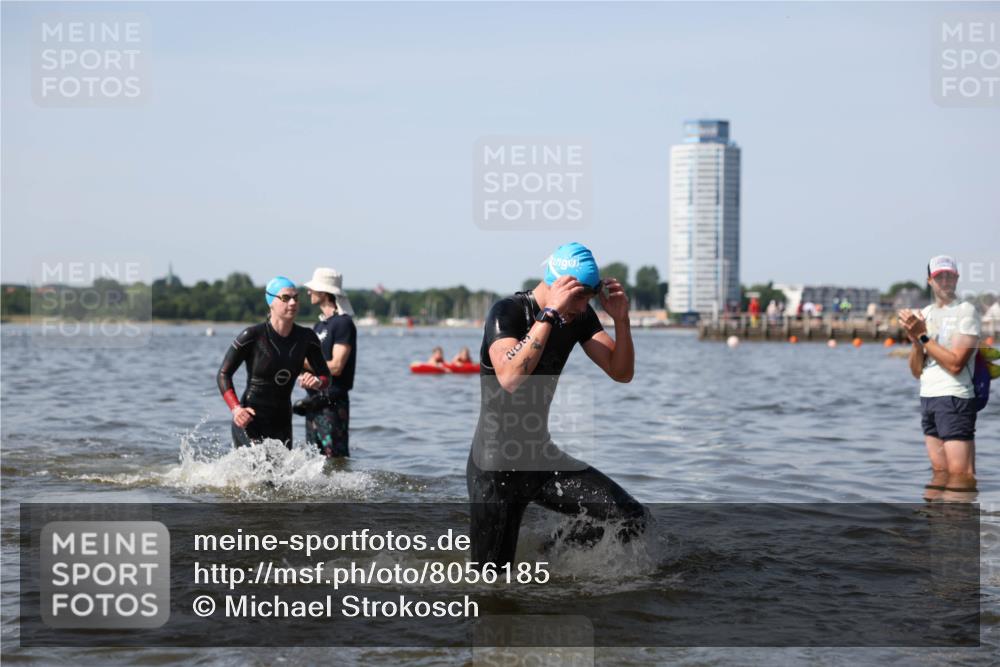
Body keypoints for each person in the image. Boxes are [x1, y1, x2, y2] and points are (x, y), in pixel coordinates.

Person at [467, 242, 646, 566]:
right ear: (556, 284)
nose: (580, 307)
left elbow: (621, 372)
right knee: (491, 583)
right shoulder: (505, 312)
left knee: (632, 517)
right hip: (495, 467)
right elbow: (509, 377)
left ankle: (550, 558)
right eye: (577, 296)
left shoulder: (578, 316)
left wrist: (622, 321)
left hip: (540, 459)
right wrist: (548, 315)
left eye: (587, 299)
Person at [898, 256, 981, 501]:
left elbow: (956, 363)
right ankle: (937, 531)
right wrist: (915, 343)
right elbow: (916, 370)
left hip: (955, 397)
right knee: (940, 473)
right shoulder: (924, 314)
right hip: (929, 398)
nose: (944, 280)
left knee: (960, 475)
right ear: (929, 281)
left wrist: (923, 337)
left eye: (949, 275)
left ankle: (959, 532)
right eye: (938, 276)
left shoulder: (966, 311)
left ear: (956, 279)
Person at [217, 276, 331, 450]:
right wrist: (236, 409)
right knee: (256, 473)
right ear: (271, 302)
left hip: (282, 421)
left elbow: (326, 377)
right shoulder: (252, 336)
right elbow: (224, 374)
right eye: (285, 298)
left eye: (296, 298)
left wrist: (317, 382)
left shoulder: (307, 338)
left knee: (281, 476)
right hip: (250, 418)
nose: (293, 303)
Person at [296, 268, 358, 459]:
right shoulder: (319, 325)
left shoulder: (343, 324)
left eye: (312, 289)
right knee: (313, 462)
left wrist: (305, 364)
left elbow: (337, 366)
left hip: (333, 403)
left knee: (335, 459)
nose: (308, 292)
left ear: (324, 292)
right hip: (314, 403)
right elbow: (313, 363)